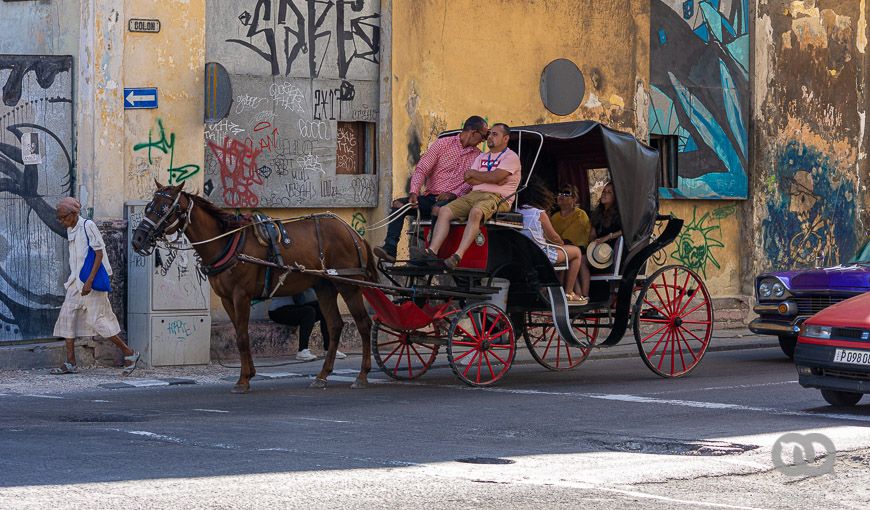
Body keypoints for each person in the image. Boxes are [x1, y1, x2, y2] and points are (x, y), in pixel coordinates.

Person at [373, 116, 490, 263]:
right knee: (398, 205)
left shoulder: (478, 156)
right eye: (483, 136)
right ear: (473, 132)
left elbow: (472, 183)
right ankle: (390, 248)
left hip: (455, 202)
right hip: (430, 196)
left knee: (438, 209)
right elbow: (422, 169)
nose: (483, 140)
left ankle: (431, 254)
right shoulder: (442, 144)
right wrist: (414, 192)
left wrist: (454, 194)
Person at [50, 197, 139, 375]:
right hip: (76, 282)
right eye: (59, 218)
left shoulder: (87, 225)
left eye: (63, 217)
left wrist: (89, 281)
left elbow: (99, 253)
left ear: (74, 214)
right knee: (67, 317)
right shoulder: (71, 229)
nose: (61, 221)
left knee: (99, 321)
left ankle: (129, 353)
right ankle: (71, 362)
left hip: (91, 283)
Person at [421, 123, 522, 269]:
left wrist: (482, 176)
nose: (490, 137)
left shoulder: (511, 157)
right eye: (489, 134)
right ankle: (432, 251)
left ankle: (457, 256)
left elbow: (493, 176)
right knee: (445, 211)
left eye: (495, 134)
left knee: (476, 212)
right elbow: (468, 178)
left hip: (498, 198)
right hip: (474, 194)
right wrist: (491, 177)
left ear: (505, 138)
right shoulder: (482, 156)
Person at [518, 180, 587, 304]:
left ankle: (553, 291)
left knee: (563, 255)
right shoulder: (538, 213)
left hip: (524, 254)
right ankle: (569, 292)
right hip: (542, 254)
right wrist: (560, 243)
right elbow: (554, 237)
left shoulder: (517, 212)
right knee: (576, 252)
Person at [268, 289, 346, 361]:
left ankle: (329, 349)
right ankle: (302, 350)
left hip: (297, 306)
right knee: (309, 312)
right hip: (277, 310)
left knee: (323, 307)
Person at [550, 184, 591, 297]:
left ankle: (580, 294)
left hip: (578, 247)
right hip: (559, 248)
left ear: (574, 198)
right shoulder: (554, 217)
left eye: (566, 193)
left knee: (571, 258)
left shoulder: (580, 214)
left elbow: (572, 239)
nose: (561, 196)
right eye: (559, 193)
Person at [588, 181, 623, 267]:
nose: (604, 194)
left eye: (609, 192)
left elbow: (626, 231)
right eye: (603, 191)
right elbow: (592, 234)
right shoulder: (597, 213)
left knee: (580, 262)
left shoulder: (619, 215)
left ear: (615, 197)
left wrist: (608, 237)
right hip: (596, 253)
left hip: (609, 254)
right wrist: (593, 243)